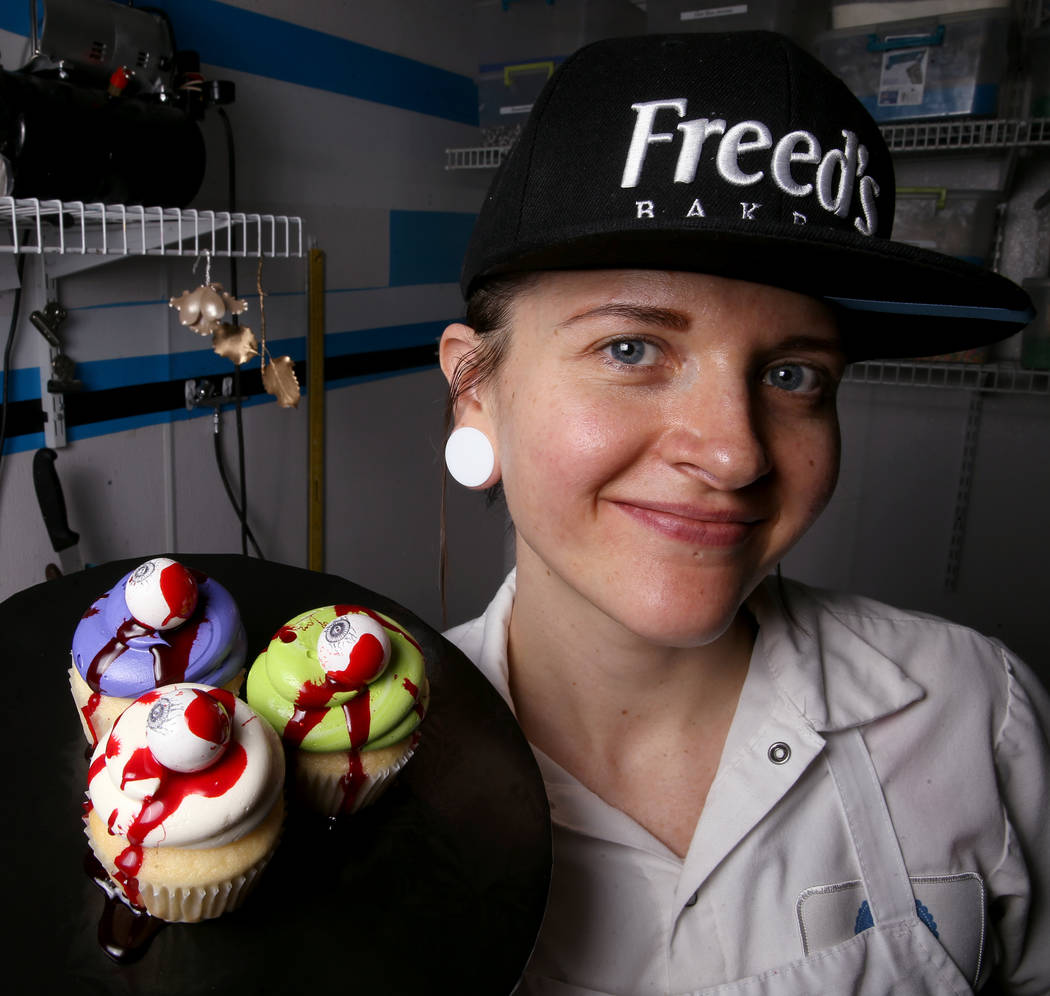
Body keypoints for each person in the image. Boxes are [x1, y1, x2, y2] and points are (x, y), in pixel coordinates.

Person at [437, 31, 1049, 996]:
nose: (735, 452)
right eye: (633, 349)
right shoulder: (347, 777)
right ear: (475, 389)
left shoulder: (977, 714)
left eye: (795, 374)